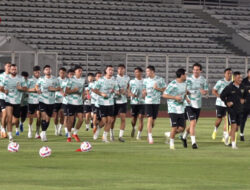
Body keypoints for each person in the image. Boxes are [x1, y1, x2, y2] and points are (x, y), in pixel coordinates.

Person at [182, 63, 208, 149]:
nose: (195, 71)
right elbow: (186, 91)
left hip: (198, 104)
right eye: (194, 69)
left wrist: (204, 92)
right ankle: (194, 143)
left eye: (197, 70)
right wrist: (197, 91)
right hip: (189, 104)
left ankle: (184, 136)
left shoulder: (203, 80)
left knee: (192, 124)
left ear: (200, 70)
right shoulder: (188, 79)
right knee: (192, 123)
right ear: (192, 70)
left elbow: (206, 91)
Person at [163, 68, 188, 150]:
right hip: (172, 108)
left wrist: (186, 98)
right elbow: (164, 95)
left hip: (181, 108)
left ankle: (169, 134)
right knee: (174, 127)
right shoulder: (172, 84)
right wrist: (175, 97)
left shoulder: (185, 83)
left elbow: (184, 93)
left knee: (181, 128)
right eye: (185, 74)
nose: (186, 76)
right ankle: (172, 144)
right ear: (182, 75)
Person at [93, 65, 119, 143]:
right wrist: (101, 94)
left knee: (110, 120)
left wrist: (115, 92)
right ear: (106, 71)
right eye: (109, 69)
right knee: (104, 121)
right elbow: (94, 90)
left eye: (112, 70)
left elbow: (117, 91)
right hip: (102, 102)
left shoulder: (114, 81)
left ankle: (104, 137)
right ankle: (98, 129)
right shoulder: (101, 80)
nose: (111, 71)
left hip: (110, 102)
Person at [220, 71, 246, 149]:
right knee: (234, 126)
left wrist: (244, 100)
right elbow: (222, 96)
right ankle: (234, 145)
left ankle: (227, 136)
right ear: (234, 78)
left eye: (241, 78)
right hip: (231, 110)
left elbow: (246, 96)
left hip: (240, 110)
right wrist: (226, 102)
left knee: (237, 128)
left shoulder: (242, 87)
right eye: (238, 78)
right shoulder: (229, 87)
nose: (240, 79)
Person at [2, 64, 27, 142]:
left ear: (17, 70)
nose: (13, 70)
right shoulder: (6, 78)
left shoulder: (21, 78)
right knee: (9, 118)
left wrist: (21, 88)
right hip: (8, 100)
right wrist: (4, 91)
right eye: (12, 69)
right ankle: (10, 135)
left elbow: (25, 88)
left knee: (15, 120)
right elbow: (1, 87)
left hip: (17, 101)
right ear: (10, 70)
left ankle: (7, 127)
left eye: (15, 69)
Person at [142, 65, 166, 144]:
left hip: (156, 102)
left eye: (148, 71)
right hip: (148, 101)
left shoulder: (160, 80)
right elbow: (143, 91)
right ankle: (150, 137)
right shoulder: (145, 81)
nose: (147, 73)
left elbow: (165, 90)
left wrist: (157, 88)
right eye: (146, 71)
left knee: (153, 121)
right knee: (149, 118)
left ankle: (149, 133)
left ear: (152, 71)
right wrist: (144, 93)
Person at [36, 65, 60, 142]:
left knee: (48, 119)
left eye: (49, 69)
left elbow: (59, 88)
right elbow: (36, 86)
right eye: (46, 69)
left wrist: (54, 89)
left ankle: (43, 132)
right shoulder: (41, 79)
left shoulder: (55, 79)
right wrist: (37, 89)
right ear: (44, 71)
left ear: (51, 70)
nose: (48, 71)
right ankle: (43, 133)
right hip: (42, 100)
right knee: (44, 117)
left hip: (51, 101)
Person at [65, 65, 85, 142]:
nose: (80, 72)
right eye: (79, 70)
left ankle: (75, 133)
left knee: (81, 119)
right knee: (71, 120)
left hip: (79, 102)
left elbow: (82, 89)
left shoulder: (83, 80)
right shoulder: (70, 80)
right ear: (75, 72)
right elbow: (66, 91)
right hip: (71, 103)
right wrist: (73, 90)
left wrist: (83, 95)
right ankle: (69, 136)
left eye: (81, 70)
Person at [211, 68, 232, 141]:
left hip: (228, 104)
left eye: (230, 73)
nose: (229, 75)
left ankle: (224, 136)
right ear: (224, 74)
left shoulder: (232, 83)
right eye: (228, 73)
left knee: (227, 120)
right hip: (220, 104)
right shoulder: (220, 82)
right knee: (219, 120)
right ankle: (215, 130)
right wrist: (220, 96)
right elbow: (213, 91)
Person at [111, 64, 130, 142]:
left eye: (122, 69)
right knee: (112, 119)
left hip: (123, 101)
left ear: (124, 70)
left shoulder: (127, 78)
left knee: (123, 118)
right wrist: (117, 92)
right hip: (115, 100)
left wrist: (126, 92)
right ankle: (111, 134)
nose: (120, 70)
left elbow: (128, 87)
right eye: (119, 69)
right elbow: (111, 88)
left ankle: (120, 136)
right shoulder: (114, 78)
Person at [129, 67, 144, 140]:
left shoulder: (145, 81)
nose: (136, 73)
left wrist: (145, 93)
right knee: (133, 119)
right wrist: (131, 94)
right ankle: (134, 127)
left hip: (143, 102)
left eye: (137, 72)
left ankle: (139, 135)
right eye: (135, 72)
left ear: (141, 73)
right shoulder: (132, 81)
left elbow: (147, 90)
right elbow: (128, 91)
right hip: (134, 102)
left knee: (141, 118)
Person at [27, 66, 41, 139]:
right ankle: (30, 129)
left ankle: (37, 132)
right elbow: (26, 89)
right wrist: (34, 90)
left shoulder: (42, 80)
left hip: (40, 100)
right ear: (33, 72)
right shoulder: (30, 80)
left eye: (38, 72)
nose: (37, 74)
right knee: (31, 116)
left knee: (39, 116)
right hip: (31, 100)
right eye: (36, 72)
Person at [90, 71, 104, 140]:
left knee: (104, 120)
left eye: (100, 76)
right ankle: (95, 126)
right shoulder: (93, 84)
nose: (99, 77)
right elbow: (90, 93)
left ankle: (98, 128)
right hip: (95, 103)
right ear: (95, 77)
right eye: (98, 76)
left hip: (104, 104)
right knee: (95, 117)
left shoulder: (104, 84)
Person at [54, 67, 67, 136]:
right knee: (55, 116)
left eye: (63, 73)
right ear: (59, 73)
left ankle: (60, 129)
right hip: (56, 100)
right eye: (61, 73)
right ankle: (56, 128)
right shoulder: (56, 80)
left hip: (64, 100)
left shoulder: (67, 80)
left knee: (62, 114)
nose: (62, 74)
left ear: (65, 73)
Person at [62, 69, 74, 137]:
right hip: (66, 102)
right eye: (70, 74)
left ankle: (70, 130)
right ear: (68, 75)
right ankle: (66, 131)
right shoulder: (64, 82)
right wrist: (63, 93)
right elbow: (60, 88)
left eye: (73, 74)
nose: (71, 76)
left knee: (72, 117)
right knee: (66, 117)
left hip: (74, 102)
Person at [0, 62, 11, 138]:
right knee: (4, 114)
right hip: (2, 97)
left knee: (8, 115)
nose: (9, 67)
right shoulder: (1, 76)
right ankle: (3, 130)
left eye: (10, 66)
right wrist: (4, 91)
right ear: (5, 67)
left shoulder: (13, 76)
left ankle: (3, 128)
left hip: (10, 99)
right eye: (8, 66)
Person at [239, 68, 250, 141]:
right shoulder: (243, 81)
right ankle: (241, 134)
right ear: (248, 73)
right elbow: (239, 91)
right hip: (245, 104)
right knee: (243, 119)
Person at [18, 71, 29, 136]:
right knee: (15, 117)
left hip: (25, 103)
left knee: (24, 117)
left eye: (25, 77)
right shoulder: (18, 82)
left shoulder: (29, 82)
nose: (24, 79)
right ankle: (16, 129)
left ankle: (21, 123)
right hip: (17, 102)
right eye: (23, 77)